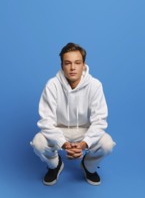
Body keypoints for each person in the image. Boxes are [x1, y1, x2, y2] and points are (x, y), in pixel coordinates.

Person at [30, 42, 116, 186]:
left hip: (84, 130)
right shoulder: (52, 85)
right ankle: (55, 165)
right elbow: (46, 122)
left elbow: (99, 121)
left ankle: (88, 166)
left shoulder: (95, 85)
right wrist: (63, 144)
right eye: (67, 63)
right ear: (62, 65)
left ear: (83, 65)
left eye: (77, 62)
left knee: (107, 144)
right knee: (38, 143)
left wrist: (84, 144)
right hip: (59, 130)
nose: (72, 67)